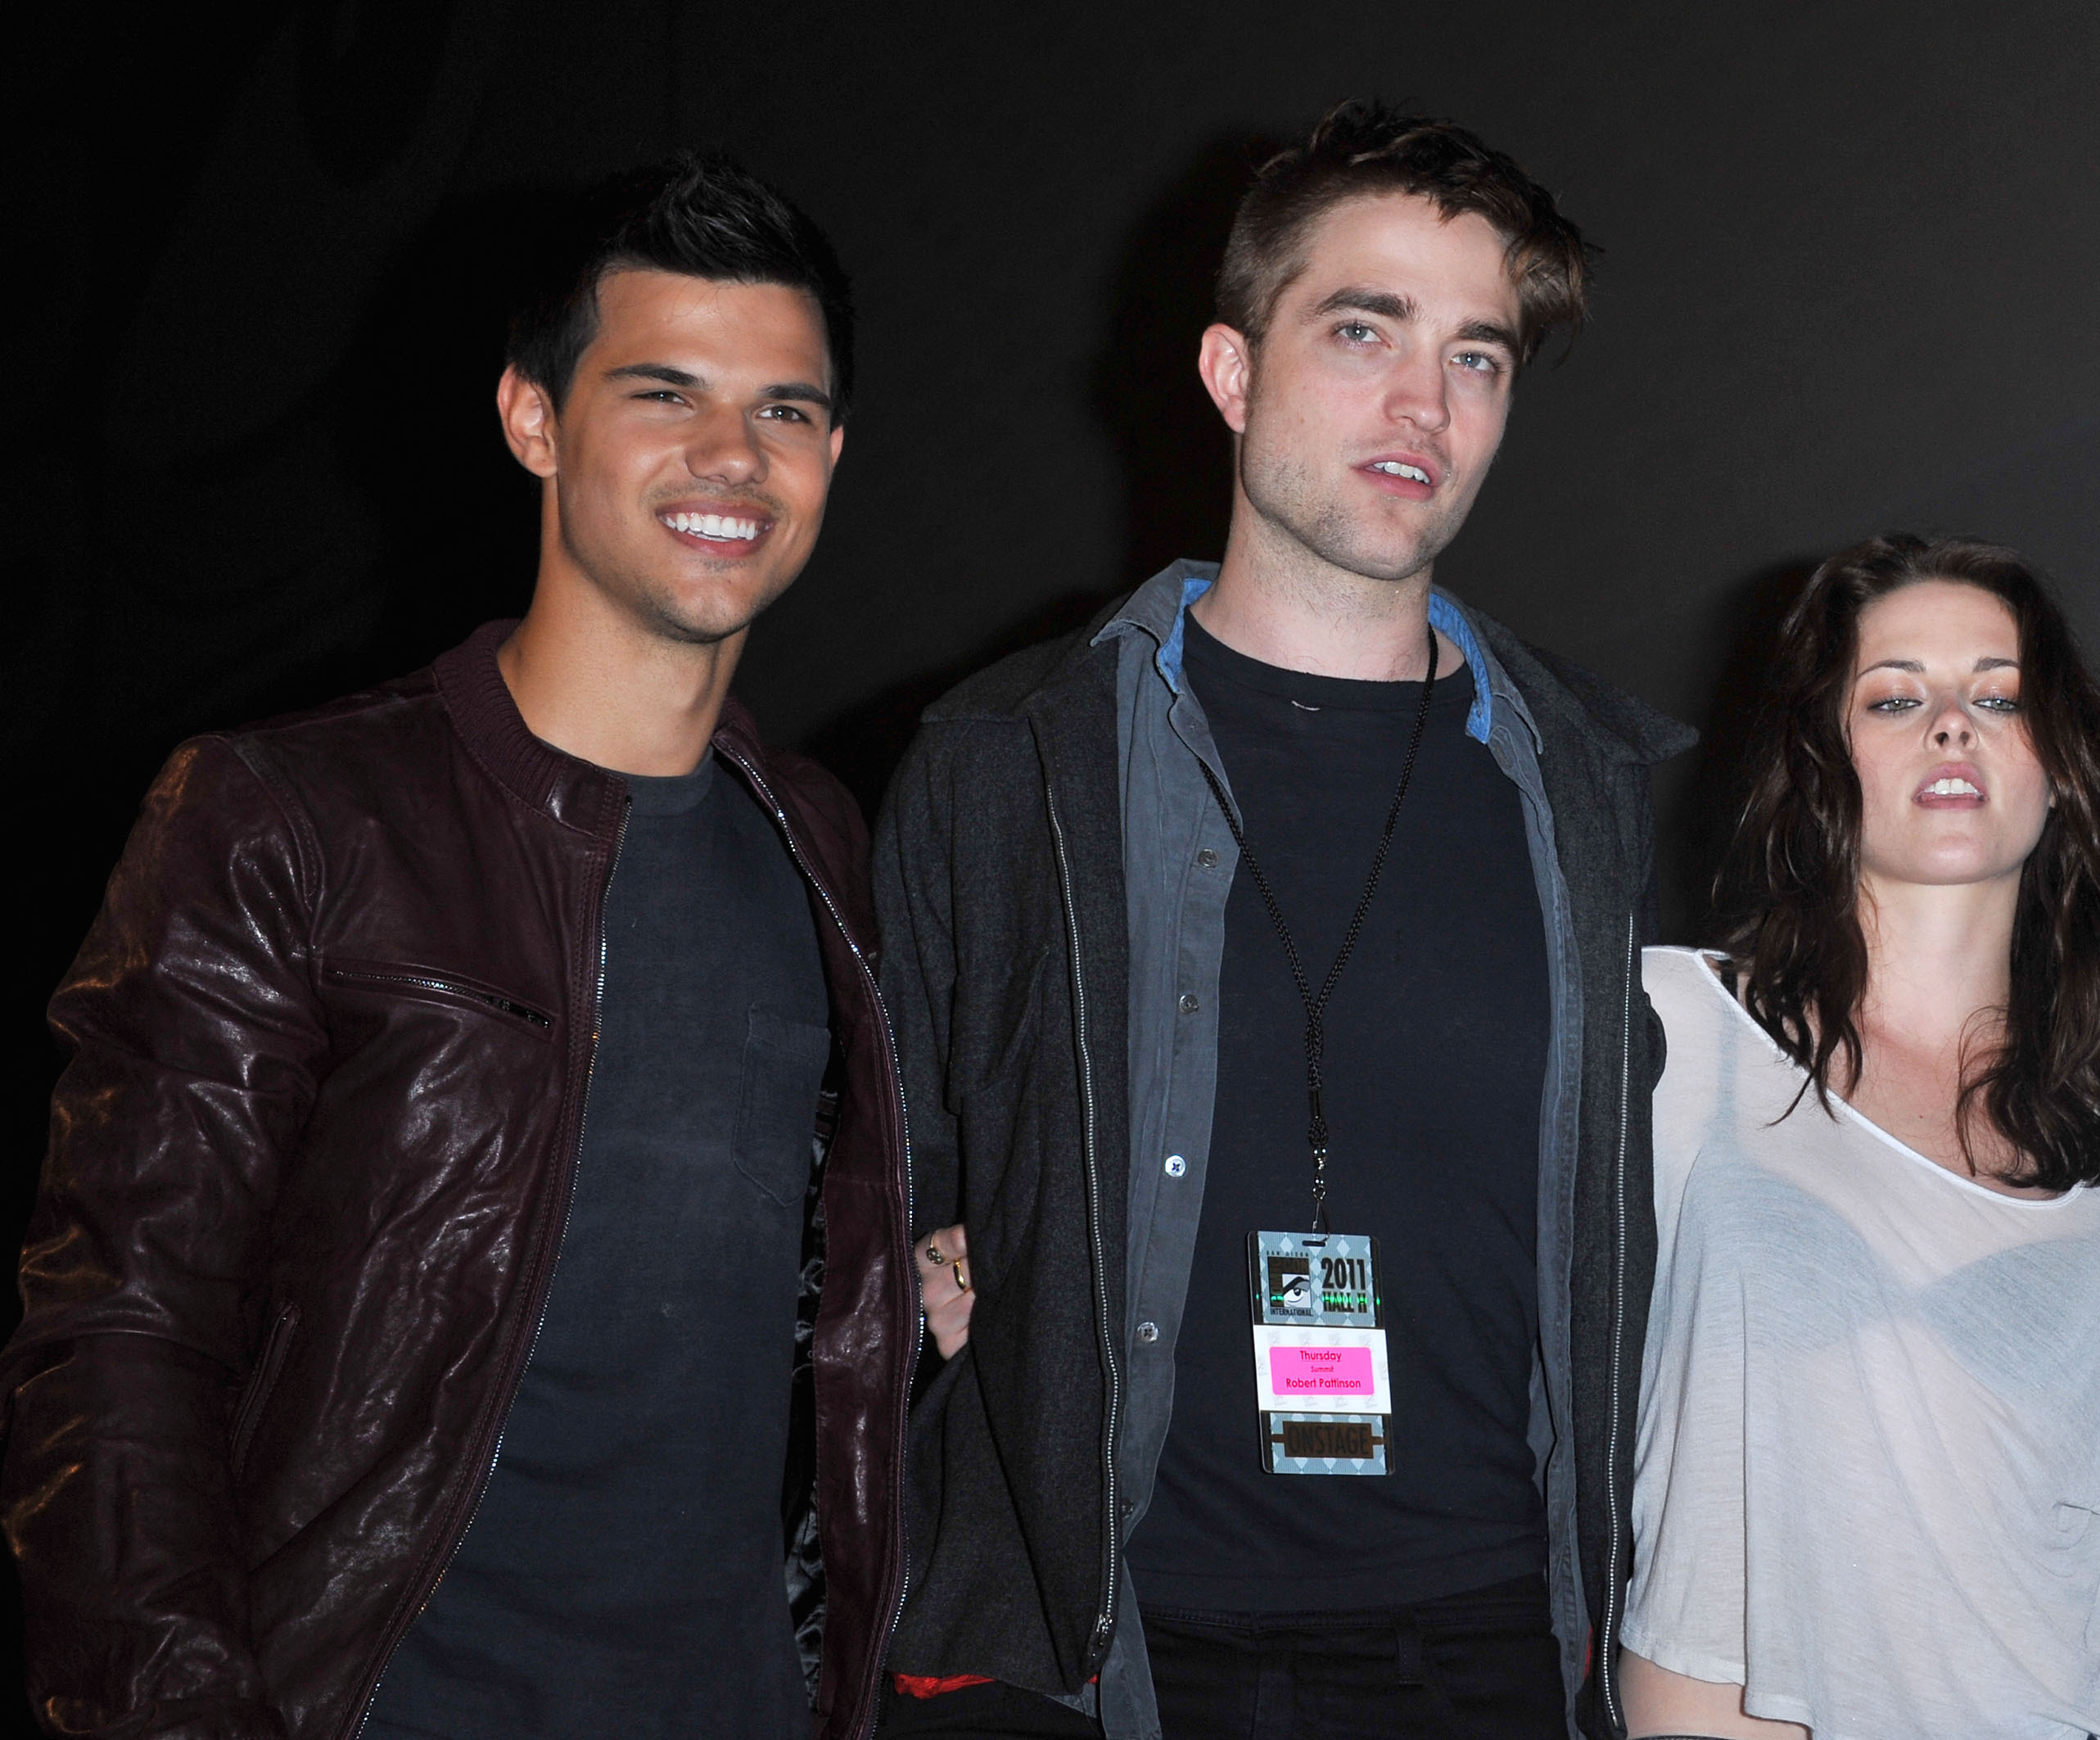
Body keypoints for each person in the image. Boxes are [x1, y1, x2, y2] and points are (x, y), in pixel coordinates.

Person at [2, 155, 915, 1739]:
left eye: (783, 409)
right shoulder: (288, 815)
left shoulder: (820, 841)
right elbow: (116, 1344)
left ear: (831, 453)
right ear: (533, 420)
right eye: (665, 393)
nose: (732, 456)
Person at [874, 102, 1689, 1740]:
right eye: (1364, 330)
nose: (1425, 403)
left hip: (1497, 1653)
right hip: (1102, 1654)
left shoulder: (1603, 789)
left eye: (1477, 356)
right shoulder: (1005, 761)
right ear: (1232, 372)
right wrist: (922, 1274)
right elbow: (879, 1174)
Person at [1619, 536, 2100, 1740]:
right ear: (1821, 758)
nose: (1954, 724)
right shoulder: (1666, 1031)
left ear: (2059, 765)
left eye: (2000, 697)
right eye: (1896, 698)